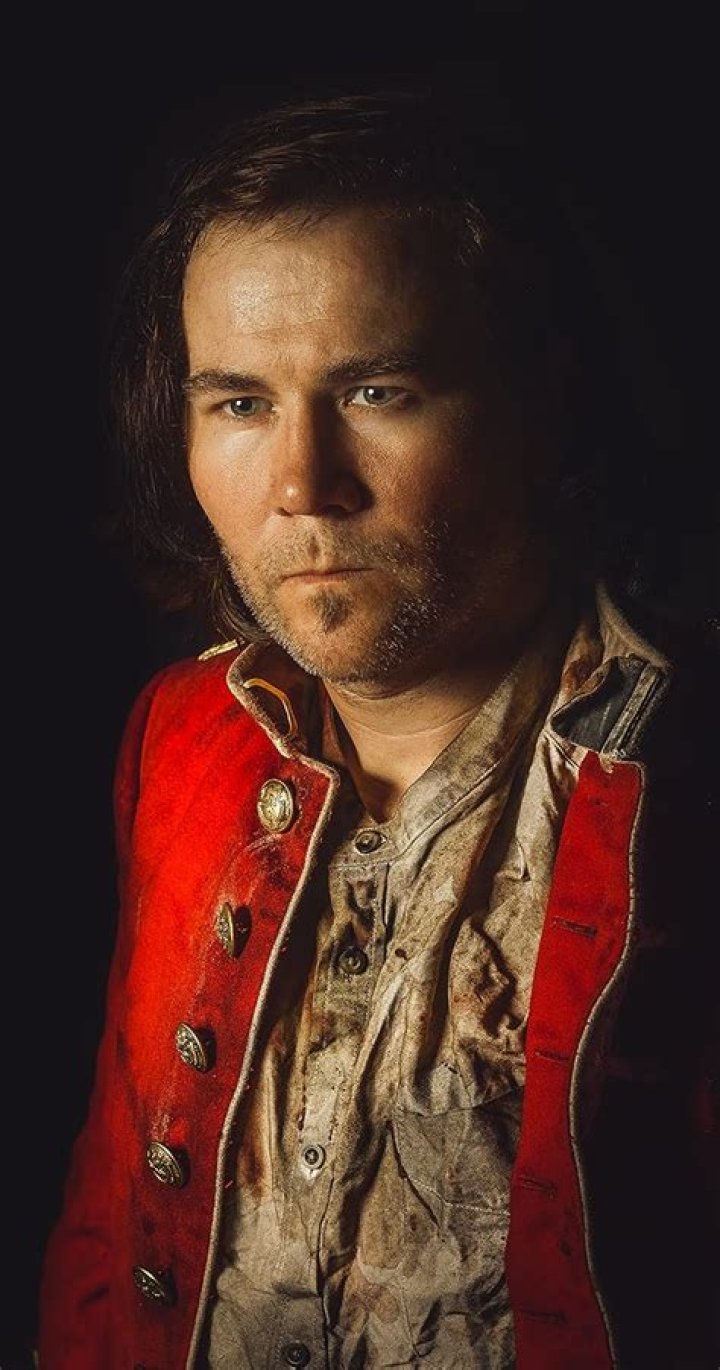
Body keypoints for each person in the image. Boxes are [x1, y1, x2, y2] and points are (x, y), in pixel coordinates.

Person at [37, 83, 718, 1369]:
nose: (303, 483)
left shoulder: (684, 772)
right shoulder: (181, 736)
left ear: (541, 400)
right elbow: (110, 1208)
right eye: (239, 403)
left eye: (377, 391)